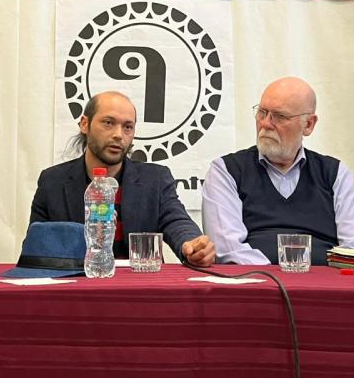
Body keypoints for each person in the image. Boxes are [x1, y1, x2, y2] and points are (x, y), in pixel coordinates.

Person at [29, 91, 215, 266]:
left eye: (127, 127)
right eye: (108, 123)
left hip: (139, 284)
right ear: (85, 124)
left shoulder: (155, 180)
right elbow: (35, 248)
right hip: (77, 284)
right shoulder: (52, 182)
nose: (118, 135)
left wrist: (192, 245)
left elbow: (176, 221)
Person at [201, 76, 354, 266]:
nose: (265, 123)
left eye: (279, 116)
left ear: (309, 124)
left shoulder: (335, 174)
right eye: (262, 112)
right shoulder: (227, 171)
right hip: (256, 281)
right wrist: (280, 277)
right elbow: (228, 250)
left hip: (326, 282)